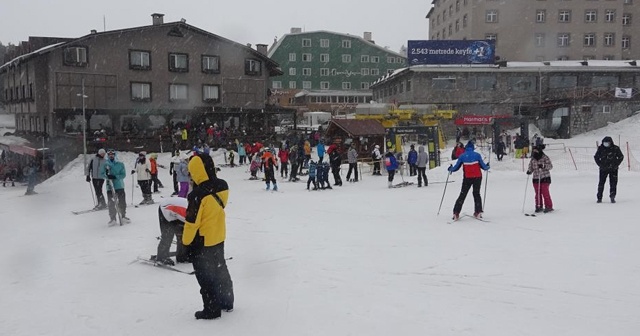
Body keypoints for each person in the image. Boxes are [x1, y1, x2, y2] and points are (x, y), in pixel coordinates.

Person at [182, 153, 234, 319]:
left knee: (205, 276)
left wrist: (185, 242)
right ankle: (227, 301)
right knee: (220, 269)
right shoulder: (222, 185)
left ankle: (211, 309)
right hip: (219, 235)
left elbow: (191, 223)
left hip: (202, 241)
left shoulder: (196, 195)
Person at [448, 141, 490, 220]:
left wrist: (450, 169)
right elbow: (483, 167)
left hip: (467, 177)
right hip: (477, 177)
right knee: (476, 194)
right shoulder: (477, 155)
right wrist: (487, 166)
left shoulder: (462, 156)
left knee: (462, 194)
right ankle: (478, 211)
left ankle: (456, 212)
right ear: (473, 148)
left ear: (466, 148)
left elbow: (456, 167)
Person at [154, 196, 188, 266]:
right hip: (165, 209)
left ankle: (182, 256)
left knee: (182, 234)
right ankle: (162, 257)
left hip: (178, 213)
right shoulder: (192, 215)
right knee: (167, 235)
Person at [101, 149, 130, 225]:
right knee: (111, 202)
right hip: (110, 186)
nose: (111, 156)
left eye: (112, 154)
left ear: (114, 155)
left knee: (122, 201)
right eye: (109, 154)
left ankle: (123, 216)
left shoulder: (120, 164)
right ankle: (113, 218)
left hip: (119, 186)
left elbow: (123, 174)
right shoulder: (105, 164)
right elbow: (102, 174)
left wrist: (115, 176)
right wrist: (107, 176)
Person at [594, 136, 624, 203]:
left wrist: (616, 164)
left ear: (611, 142)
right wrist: (600, 164)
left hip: (613, 169)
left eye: (607, 143)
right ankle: (599, 198)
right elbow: (596, 157)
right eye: (605, 143)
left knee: (613, 183)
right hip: (603, 169)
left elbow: (621, 157)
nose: (606, 144)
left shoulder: (615, 148)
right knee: (601, 183)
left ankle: (612, 197)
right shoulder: (601, 148)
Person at [526, 144, 554, 213]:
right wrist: (529, 170)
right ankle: (539, 205)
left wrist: (543, 166)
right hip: (536, 178)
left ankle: (548, 206)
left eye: (536, 150)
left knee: (545, 192)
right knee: (537, 193)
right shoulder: (533, 158)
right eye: (534, 151)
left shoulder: (545, 157)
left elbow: (550, 166)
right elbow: (531, 166)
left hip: (545, 177)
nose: (535, 152)